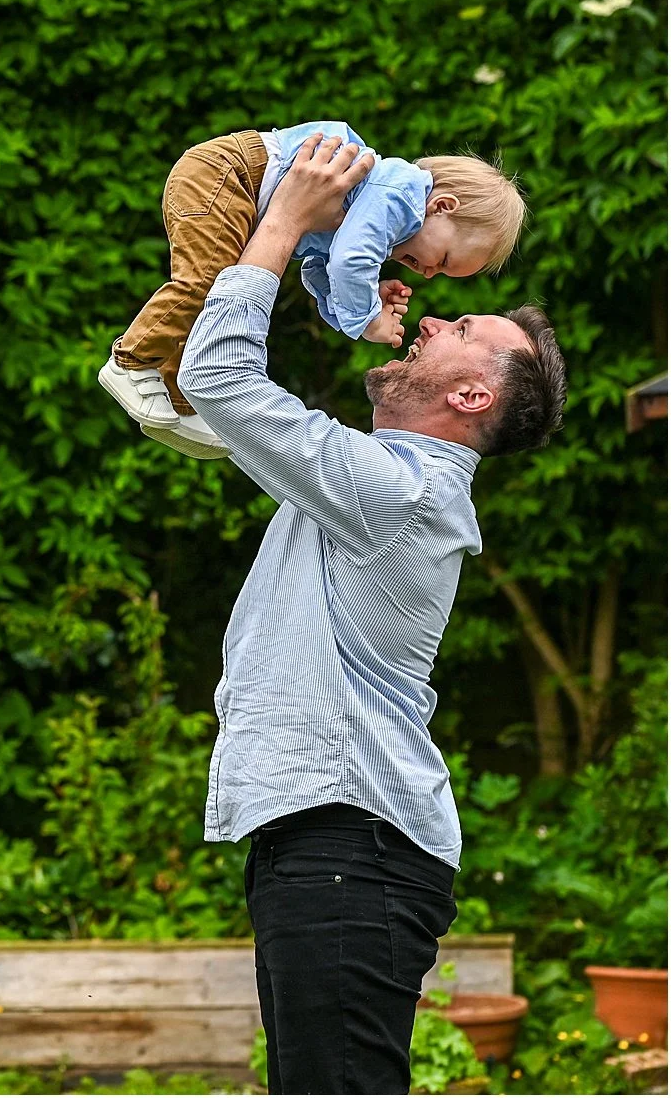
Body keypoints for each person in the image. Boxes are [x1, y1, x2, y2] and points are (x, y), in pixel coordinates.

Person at [178, 135, 566, 1094]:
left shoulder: (396, 492)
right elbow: (223, 404)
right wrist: (332, 280)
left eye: (458, 324)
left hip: (352, 843)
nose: (427, 316)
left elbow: (221, 380)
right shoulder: (373, 480)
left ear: (472, 393)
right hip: (333, 844)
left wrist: (284, 219)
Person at [100, 120, 527, 459]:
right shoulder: (399, 196)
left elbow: (318, 271)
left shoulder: (378, 209)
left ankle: (179, 399)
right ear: (442, 206)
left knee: (216, 296)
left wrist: (351, 301)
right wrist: (367, 320)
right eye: (445, 260)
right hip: (229, 175)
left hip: (235, 186)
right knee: (206, 285)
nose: (430, 273)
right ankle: (130, 363)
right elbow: (348, 262)